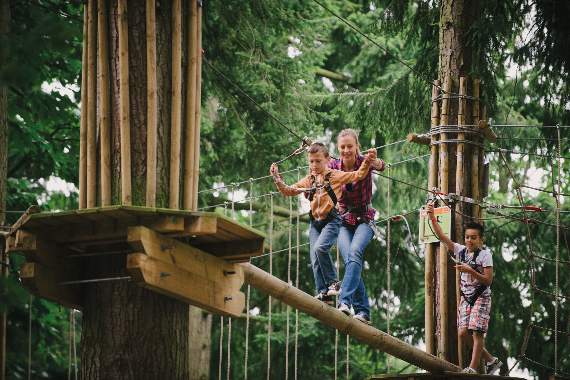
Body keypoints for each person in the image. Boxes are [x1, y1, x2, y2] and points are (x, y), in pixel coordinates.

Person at [270, 142, 376, 304]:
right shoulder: (309, 179)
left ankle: (334, 282)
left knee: (320, 249)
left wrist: (367, 161)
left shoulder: (334, 175)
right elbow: (289, 191)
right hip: (315, 222)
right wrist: (277, 179)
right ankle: (324, 293)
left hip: (332, 220)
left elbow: (358, 175)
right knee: (314, 257)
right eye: (311, 161)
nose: (314, 165)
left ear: (327, 159)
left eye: (318, 161)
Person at [426, 202, 502, 374]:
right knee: (462, 334)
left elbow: (488, 280)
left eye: (474, 237)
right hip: (466, 298)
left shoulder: (485, 255)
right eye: (467, 237)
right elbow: (442, 237)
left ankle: (473, 369)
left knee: (477, 333)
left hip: (481, 297)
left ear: (481, 239)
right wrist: (431, 216)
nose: (469, 240)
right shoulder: (460, 251)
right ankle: (491, 360)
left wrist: (470, 270)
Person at [328, 129, 385, 324]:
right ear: (338, 148)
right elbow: (320, 176)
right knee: (352, 261)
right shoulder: (333, 166)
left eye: (350, 146)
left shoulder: (364, 162)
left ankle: (344, 302)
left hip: (365, 219)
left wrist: (374, 160)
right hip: (344, 220)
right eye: (342, 147)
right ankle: (363, 312)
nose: (346, 150)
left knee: (354, 254)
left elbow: (381, 165)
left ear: (356, 147)